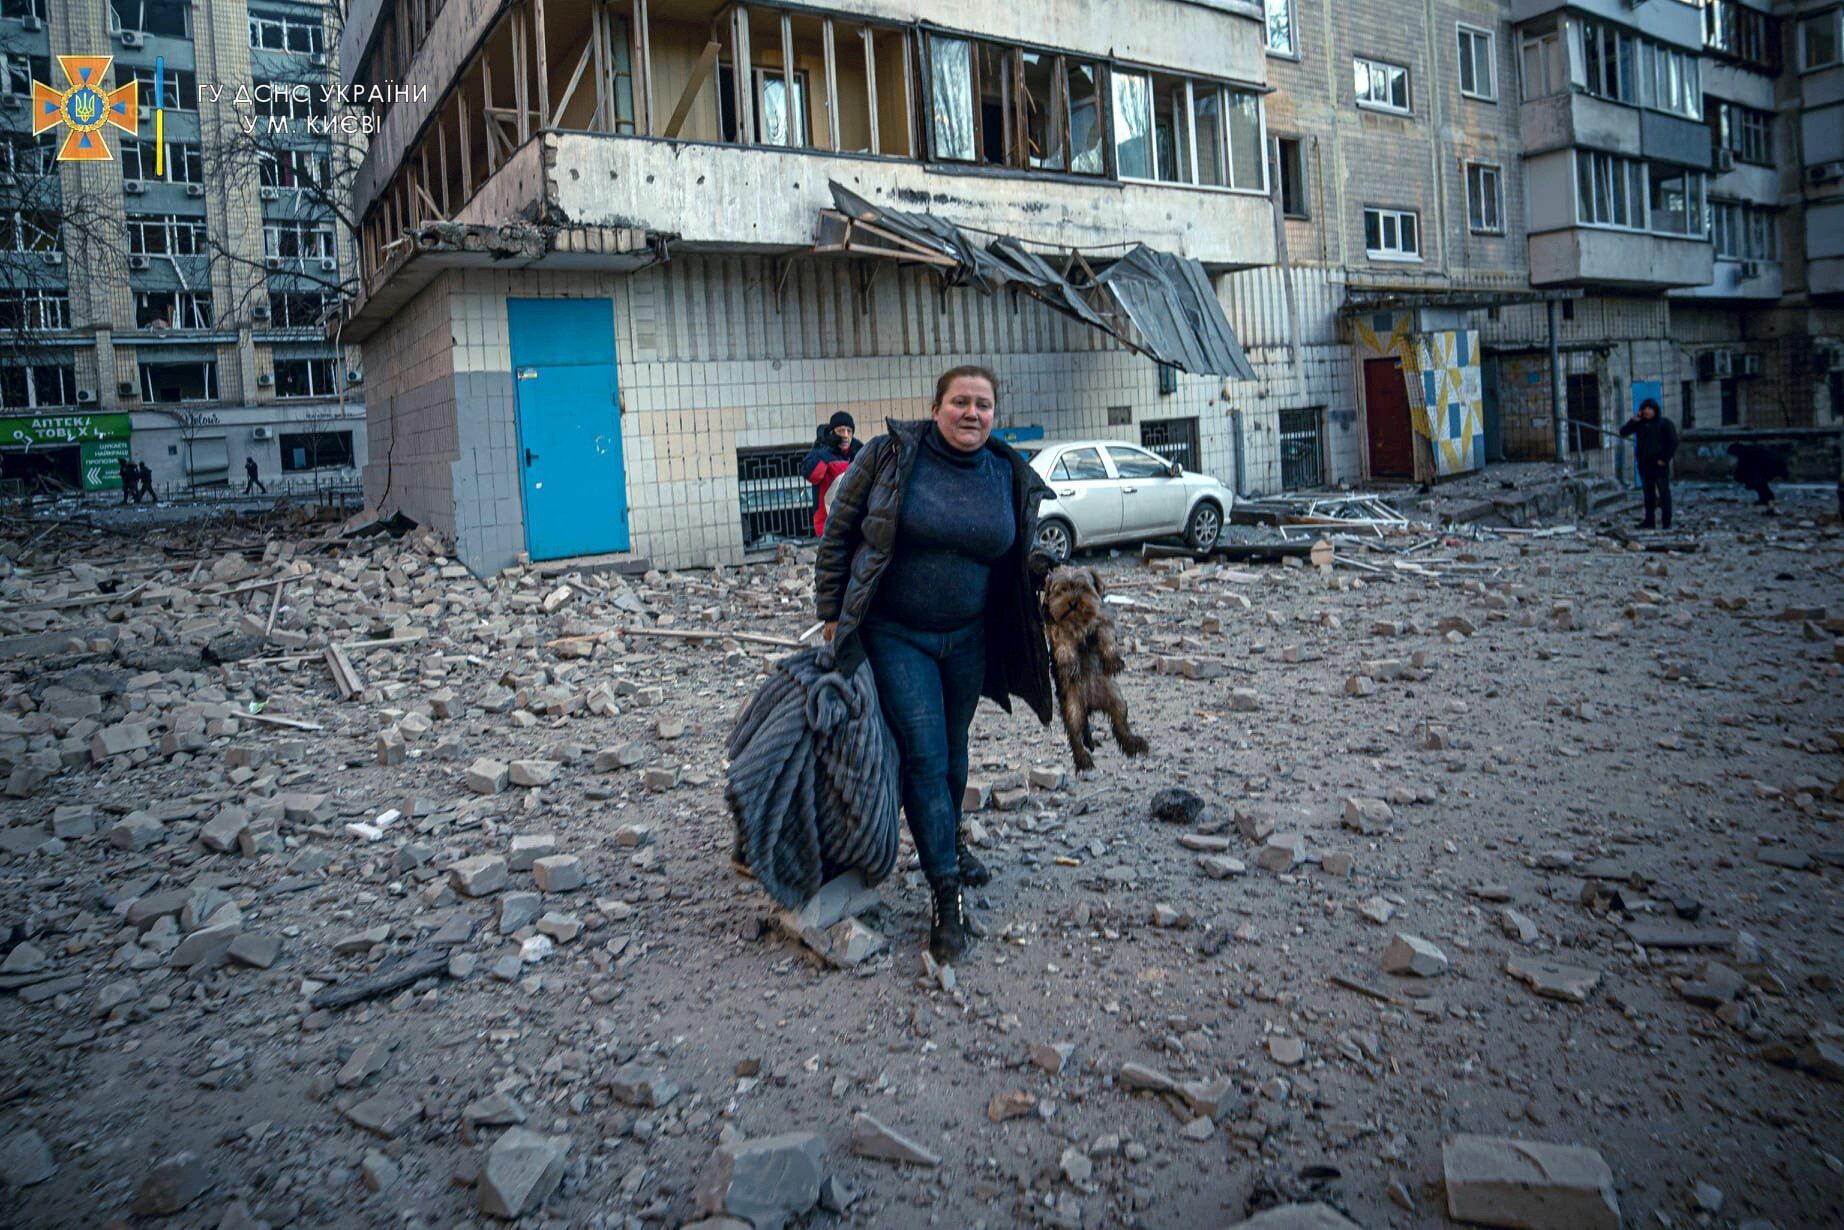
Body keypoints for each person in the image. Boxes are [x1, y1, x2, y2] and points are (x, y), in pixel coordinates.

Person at [815, 366, 1054, 964]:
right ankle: (944, 896)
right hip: (898, 634)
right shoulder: (893, 456)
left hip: (968, 638)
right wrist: (830, 614)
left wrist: (1046, 571)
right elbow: (841, 534)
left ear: (994, 413)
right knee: (923, 753)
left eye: (984, 404)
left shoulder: (1006, 472)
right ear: (937, 406)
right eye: (960, 402)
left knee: (953, 749)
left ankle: (944, 845)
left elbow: (1012, 551)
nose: (972, 413)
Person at [1618, 398, 1678, 530]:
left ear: (1655, 410)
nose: (1647, 412)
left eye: (1650, 409)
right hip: (1645, 465)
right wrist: (1634, 420)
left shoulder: (1664, 423)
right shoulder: (1640, 424)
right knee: (1648, 494)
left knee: (1664, 493)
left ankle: (1666, 522)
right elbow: (1623, 432)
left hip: (1659, 465)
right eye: (1645, 409)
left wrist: (1664, 458)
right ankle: (1649, 521)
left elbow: (1673, 442)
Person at [800, 411, 861, 537]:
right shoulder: (820, 452)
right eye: (841, 431)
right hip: (828, 527)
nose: (845, 435)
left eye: (849, 431)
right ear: (832, 432)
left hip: (854, 525)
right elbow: (811, 475)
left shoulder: (859, 453)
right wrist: (827, 450)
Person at [1726, 442, 1786, 515]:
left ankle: (1769, 503)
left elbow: (1743, 471)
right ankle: (1766, 501)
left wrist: (1737, 476)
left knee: (1759, 483)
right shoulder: (1748, 454)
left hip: (1769, 467)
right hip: (1771, 465)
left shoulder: (1747, 457)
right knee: (1758, 483)